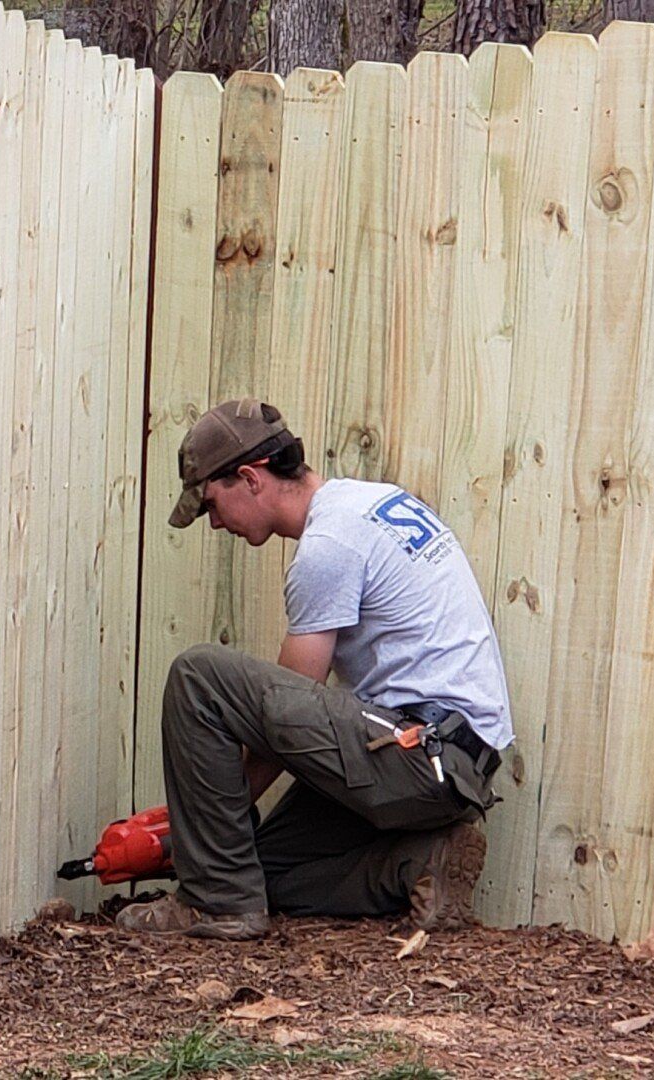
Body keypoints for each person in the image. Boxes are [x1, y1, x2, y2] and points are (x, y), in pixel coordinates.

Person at [117, 398, 510, 941]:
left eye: (211, 504)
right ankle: (421, 861)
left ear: (250, 478)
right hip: (450, 757)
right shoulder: (370, 503)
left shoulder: (328, 546)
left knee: (198, 677)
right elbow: (295, 719)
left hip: (422, 753)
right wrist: (215, 835)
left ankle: (214, 904)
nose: (214, 524)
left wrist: (204, 822)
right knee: (259, 871)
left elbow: (289, 709)